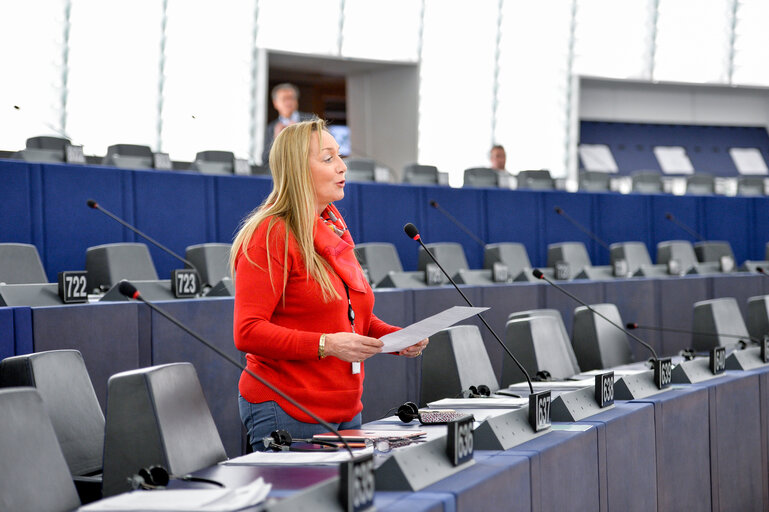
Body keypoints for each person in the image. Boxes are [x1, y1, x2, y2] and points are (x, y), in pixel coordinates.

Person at [232, 118, 428, 450]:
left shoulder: (333, 229)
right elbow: (247, 331)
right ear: (297, 168)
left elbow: (352, 318)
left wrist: (393, 338)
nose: (342, 168)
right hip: (287, 410)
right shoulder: (270, 234)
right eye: (328, 159)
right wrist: (326, 345)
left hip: (345, 410)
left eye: (340, 157)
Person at [261, 83, 314, 165]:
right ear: (275, 103)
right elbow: (265, 161)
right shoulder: (271, 128)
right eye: (284, 99)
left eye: (291, 98)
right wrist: (276, 139)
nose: (289, 102)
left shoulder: (312, 121)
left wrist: (299, 135)